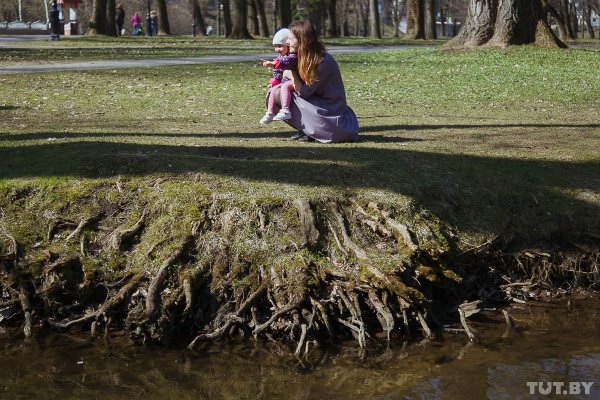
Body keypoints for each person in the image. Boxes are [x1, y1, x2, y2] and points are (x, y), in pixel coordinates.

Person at [268, 20, 359, 143]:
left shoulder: (323, 61)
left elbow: (305, 92)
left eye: (290, 38)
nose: (287, 42)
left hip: (331, 112)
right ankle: (306, 130)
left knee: (279, 93)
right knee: (275, 93)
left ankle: (314, 131)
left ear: (302, 40)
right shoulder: (302, 57)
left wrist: (290, 73)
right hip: (317, 105)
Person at [260, 28, 298, 125]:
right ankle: (270, 112)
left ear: (288, 45)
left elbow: (287, 63)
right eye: (275, 47)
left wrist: (273, 63)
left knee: (284, 87)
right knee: (273, 89)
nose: (277, 50)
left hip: (296, 81)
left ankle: (285, 110)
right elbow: (278, 71)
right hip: (285, 80)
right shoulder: (281, 57)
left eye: (280, 46)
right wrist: (274, 80)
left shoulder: (292, 55)